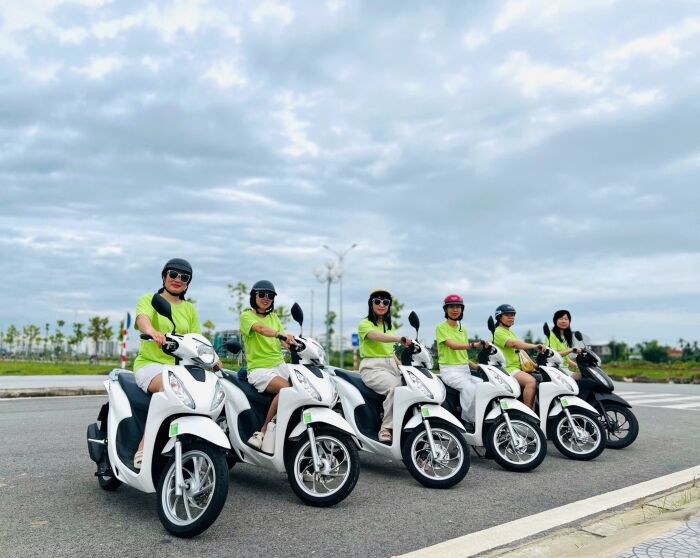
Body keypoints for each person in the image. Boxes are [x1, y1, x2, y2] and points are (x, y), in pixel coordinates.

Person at [133, 258, 207, 469]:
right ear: (164, 276)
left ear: (188, 283)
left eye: (184, 277)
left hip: (181, 368)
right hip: (151, 365)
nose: (177, 279)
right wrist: (152, 331)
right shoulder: (151, 299)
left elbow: (197, 338)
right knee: (169, 387)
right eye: (173, 274)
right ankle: (144, 445)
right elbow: (142, 319)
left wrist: (212, 358)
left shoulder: (189, 309)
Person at [240, 280, 296, 450]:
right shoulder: (246, 316)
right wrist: (280, 335)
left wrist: (293, 343)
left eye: (270, 296)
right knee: (287, 389)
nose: (266, 298)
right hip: (260, 369)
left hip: (280, 365)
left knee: (303, 387)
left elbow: (283, 340)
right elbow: (261, 329)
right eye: (262, 294)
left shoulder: (274, 317)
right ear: (254, 296)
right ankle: (263, 431)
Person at [358, 288, 412, 443]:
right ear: (371, 304)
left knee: (411, 385)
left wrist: (403, 368)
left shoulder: (389, 326)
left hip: (390, 365)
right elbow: (376, 337)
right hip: (372, 367)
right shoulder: (365, 324)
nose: (381, 305)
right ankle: (386, 428)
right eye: (377, 301)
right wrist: (398, 339)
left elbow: (389, 352)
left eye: (385, 302)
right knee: (396, 387)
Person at [436, 294, 488, 425]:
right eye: (451, 307)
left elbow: (462, 355)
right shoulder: (441, 328)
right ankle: (469, 421)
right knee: (469, 388)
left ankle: (484, 418)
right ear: (446, 310)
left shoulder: (463, 330)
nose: (455, 310)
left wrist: (477, 366)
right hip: (450, 371)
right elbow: (453, 346)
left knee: (484, 386)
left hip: (465, 370)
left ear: (462, 309)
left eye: (458, 307)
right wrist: (473, 345)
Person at [492, 304, 546, 410]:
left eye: (512, 315)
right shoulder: (498, 332)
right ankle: (528, 413)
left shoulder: (510, 333)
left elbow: (520, 351)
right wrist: (534, 346)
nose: (511, 317)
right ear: (499, 317)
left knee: (542, 379)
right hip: (508, 369)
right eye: (507, 315)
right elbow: (513, 344)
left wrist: (535, 365)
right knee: (531, 382)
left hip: (518, 368)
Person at [548, 309, 581, 377]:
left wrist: (577, 365)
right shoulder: (551, 336)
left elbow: (565, 359)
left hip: (563, 369)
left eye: (566, 319)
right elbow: (554, 355)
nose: (563, 321)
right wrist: (571, 350)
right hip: (556, 370)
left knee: (584, 374)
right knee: (580, 376)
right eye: (561, 319)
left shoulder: (564, 337)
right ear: (555, 321)